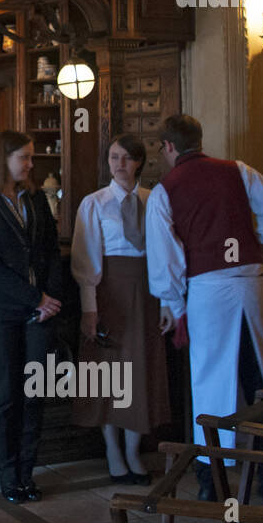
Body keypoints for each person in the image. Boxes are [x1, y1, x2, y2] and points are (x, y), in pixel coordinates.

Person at [144, 114, 263, 502]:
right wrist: (256, 241)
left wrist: (172, 302)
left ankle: (210, 482)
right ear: (199, 139)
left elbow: (166, 260)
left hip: (208, 290)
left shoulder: (165, 190)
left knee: (209, 384)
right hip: (251, 283)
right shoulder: (239, 171)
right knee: (262, 382)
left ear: (168, 147)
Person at [0, 130, 62, 504]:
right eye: (24, 157)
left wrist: (50, 298)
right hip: (0, 313)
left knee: (33, 395)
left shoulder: (36, 199)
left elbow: (52, 251)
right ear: (2, 159)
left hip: (40, 313)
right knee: (4, 396)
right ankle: (8, 477)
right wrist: (35, 297)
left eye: (31, 157)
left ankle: (27, 474)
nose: (30, 164)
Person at [71, 134, 170, 483]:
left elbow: (163, 253)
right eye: (114, 158)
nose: (120, 165)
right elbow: (86, 258)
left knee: (140, 371)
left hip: (147, 292)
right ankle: (113, 450)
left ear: (139, 162)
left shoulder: (154, 200)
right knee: (111, 372)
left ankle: (133, 450)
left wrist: (167, 299)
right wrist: (89, 308)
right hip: (110, 292)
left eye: (127, 158)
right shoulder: (94, 203)